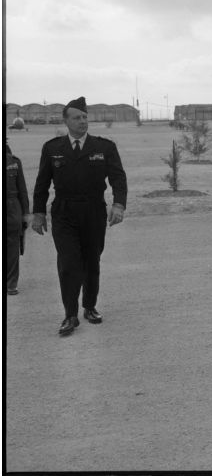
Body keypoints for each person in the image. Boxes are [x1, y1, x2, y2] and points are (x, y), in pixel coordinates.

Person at [31, 97, 128, 337]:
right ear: (66, 121)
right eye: (77, 117)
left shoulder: (104, 147)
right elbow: (42, 183)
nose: (82, 121)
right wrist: (39, 213)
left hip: (93, 211)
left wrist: (118, 205)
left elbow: (118, 178)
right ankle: (70, 314)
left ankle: (90, 306)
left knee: (91, 262)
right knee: (68, 264)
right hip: (64, 212)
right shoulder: (52, 148)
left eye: (85, 117)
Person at [6, 142, 30, 296]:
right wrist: (25, 213)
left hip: (12, 207)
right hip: (13, 208)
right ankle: (11, 284)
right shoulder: (14, 162)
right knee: (12, 247)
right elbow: (22, 190)